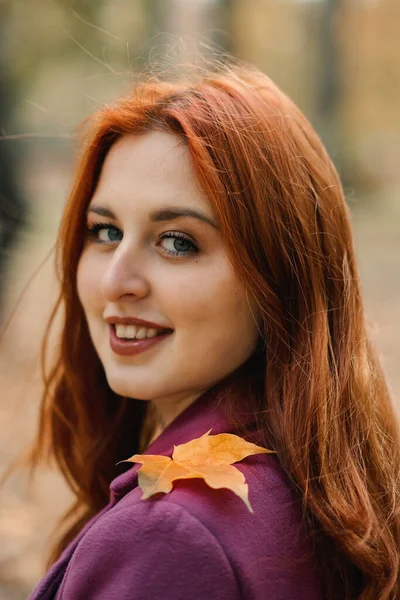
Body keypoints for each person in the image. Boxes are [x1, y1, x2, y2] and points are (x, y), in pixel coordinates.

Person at [25, 61, 399, 599]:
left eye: (177, 242)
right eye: (105, 231)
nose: (116, 280)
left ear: (277, 277)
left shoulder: (170, 535)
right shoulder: (323, 490)